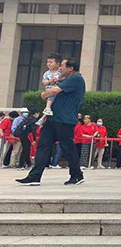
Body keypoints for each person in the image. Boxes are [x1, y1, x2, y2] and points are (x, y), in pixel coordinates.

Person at [18, 58, 86, 186]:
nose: (60, 68)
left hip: (64, 120)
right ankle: (34, 177)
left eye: (63, 66)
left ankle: (77, 175)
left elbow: (54, 91)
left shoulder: (75, 78)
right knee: (43, 146)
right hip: (53, 119)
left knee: (68, 148)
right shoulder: (66, 79)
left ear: (71, 68)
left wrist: (44, 95)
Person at [36, 53, 64, 127]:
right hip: (50, 90)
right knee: (51, 96)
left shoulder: (61, 71)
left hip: (58, 89)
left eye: (51, 62)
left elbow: (64, 78)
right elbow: (44, 82)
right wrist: (50, 81)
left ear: (58, 64)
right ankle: (46, 111)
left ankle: (44, 115)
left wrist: (58, 79)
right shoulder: (46, 73)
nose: (49, 64)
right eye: (48, 62)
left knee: (52, 96)